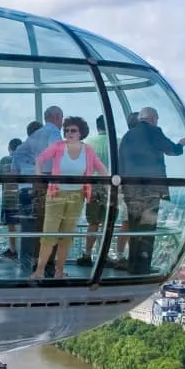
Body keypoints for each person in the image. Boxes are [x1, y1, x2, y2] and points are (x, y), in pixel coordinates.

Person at [32, 116, 107, 281]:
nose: (68, 133)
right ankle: (39, 271)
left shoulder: (87, 150)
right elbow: (40, 159)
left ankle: (59, 271)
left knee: (67, 235)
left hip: (77, 196)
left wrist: (112, 182)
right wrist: (39, 177)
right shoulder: (58, 147)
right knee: (49, 234)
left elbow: (101, 168)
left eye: (73, 130)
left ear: (81, 133)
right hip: (56, 195)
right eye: (66, 130)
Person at [117, 105, 185, 275]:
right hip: (149, 189)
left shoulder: (127, 136)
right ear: (152, 118)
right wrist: (180, 145)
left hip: (130, 189)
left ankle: (133, 264)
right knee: (147, 227)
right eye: (156, 119)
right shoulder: (153, 131)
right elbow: (170, 149)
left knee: (134, 227)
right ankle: (142, 266)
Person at [11, 107, 63, 272]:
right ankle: (47, 263)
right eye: (61, 119)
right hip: (45, 185)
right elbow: (58, 154)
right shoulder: (53, 132)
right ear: (57, 117)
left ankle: (28, 261)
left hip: (25, 190)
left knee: (29, 227)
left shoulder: (23, 146)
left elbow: (14, 172)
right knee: (50, 225)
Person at [80, 113, 112, 267]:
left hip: (92, 185)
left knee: (93, 222)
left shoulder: (88, 144)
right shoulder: (116, 143)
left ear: (97, 126)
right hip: (111, 187)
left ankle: (87, 254)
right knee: (107, 223)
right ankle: (104, 255)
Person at [0, 138, 23, 259]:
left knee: (11, 226)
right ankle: (26, 252)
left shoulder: (5, 160)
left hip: (9, 199)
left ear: (9, 148)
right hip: (24, 199)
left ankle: (13, 250)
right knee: (26, 226)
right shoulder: (25, 161)